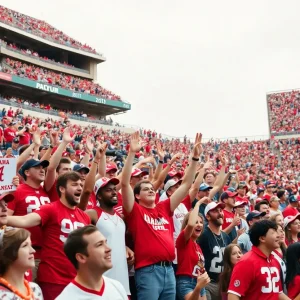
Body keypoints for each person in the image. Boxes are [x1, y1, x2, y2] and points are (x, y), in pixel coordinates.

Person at [121, 132, 202, 300]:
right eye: (145, 189)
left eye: (152, 188)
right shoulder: (135, 211)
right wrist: (131, 154)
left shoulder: (164, 207)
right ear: (137, 196)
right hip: (148, 271)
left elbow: (187, 184)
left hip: (169, 270)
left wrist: (194, 159)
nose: (151, 189)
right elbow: (124, 182)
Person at [7, 172, 91, 300]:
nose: (80, 188)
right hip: (53, 279)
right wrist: (4, 219)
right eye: (74, 185)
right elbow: (25, 220)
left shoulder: (84, 216)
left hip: (78, 279)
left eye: (81, 184)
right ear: (62, 189)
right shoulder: (50, 209)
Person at [56, 225, 127, 299]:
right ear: (81, 257)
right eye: (100, 244)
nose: (108, 249)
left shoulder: (117, 287)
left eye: (106, 242)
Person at [228, 220, 289, 300]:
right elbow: (234, 295)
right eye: (274, 232)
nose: (279, 235)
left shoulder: (274, 261)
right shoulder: (246, 262)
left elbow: (277, 292)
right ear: (262, 238)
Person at [176, 199, 210, 300]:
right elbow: (190, 225)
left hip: (199, 282)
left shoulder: (198, 246)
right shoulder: (183, 240)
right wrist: (198, 204)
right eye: (196, 222)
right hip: (186, 282)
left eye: (201, 222)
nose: (199, 224)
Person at [197, 202, 231, 300]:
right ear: (207, 216)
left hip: (222, 284)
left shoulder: (226, 237)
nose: (220, 213)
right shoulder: (203, 235)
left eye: (221, 210)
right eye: (216, 211)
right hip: (207, 283)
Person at [0, 227, 43, 299]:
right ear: (9, 253)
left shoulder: (35, 289)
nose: (33, 251)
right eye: (25, 245)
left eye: (31, 245)